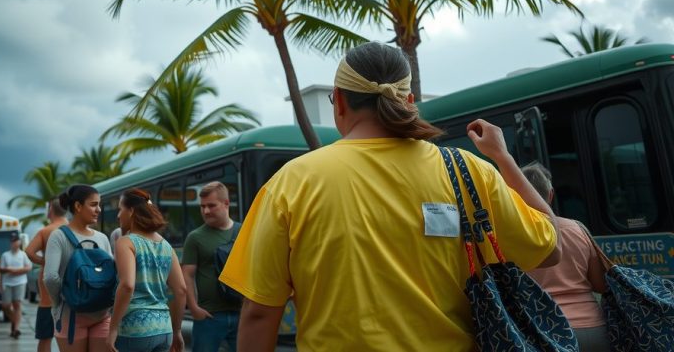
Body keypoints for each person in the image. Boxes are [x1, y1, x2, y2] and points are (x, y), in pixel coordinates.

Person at [219, 42, 562, 352]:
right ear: (409, 102)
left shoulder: (290, 183)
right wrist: (502, 158)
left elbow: (261, 313)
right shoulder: (467, 170)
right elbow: (550, 250)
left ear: (338, 100)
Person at [522, 163, 610, 352]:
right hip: (595, 329)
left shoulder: (514, 236)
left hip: (547, 331)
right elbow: (600, 284)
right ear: (551, 194)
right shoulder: (578, 228)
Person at [109, 188, 186, 352]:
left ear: (131, 211)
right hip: (164, 330)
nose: (118, 215)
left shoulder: (126, 243)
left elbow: (127, 286)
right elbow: (180, 290)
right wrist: (177, 330)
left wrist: (113, 328)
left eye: (120, 209)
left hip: (134, 329)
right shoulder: (166, 246)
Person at [44, 184, 112, 352]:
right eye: (94, 204)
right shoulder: (102, 239)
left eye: (99, 204)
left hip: (70, 315)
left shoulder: (58, 236)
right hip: (102, 315)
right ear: (78, 206)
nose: (99, 210)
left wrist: (57, 303)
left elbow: (51, 277)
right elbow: (111, 276)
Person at [181, 182, 240, 352]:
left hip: (241, 313)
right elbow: (187, 275)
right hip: (209, 316)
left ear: (226, 203)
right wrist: (194, 308)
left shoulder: (243, 231)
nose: (206, 211)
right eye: (202, 206)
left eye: (211, 206)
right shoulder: (195, 237)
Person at [26, 199, 69, 352]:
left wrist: (44, 261)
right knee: (71, 338)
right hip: (72, 294)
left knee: (45, 338)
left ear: (50, 210)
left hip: (47, 299)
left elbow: (29, 251)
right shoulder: (73, 229)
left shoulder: (45, 231)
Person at [0, 232, 33, 339]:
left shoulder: (23, 254)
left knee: (17, 304)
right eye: (12, 241)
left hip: (20, 282)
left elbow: (28, 267)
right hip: (7, 283)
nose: (14, 243)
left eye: (16, 241)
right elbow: (1, 269)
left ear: (19, 242)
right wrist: (9, 270)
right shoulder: (5, 255)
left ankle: (16, 328)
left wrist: (17, 271)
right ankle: (15, 320)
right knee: (6, 306)